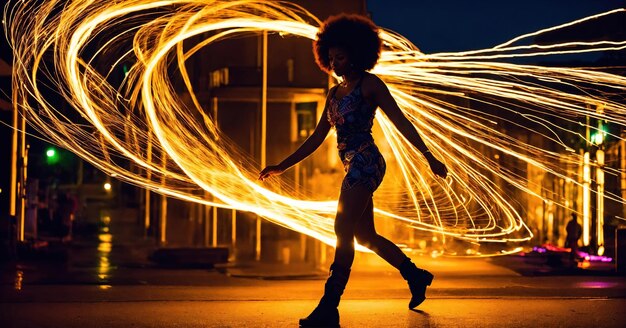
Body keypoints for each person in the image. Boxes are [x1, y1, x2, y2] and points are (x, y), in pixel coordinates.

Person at [259, 14, 448, 327]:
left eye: (341, 57)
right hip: (352, 167)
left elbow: (401, 121)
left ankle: (328, 307)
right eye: (331, 58)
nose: (335, 63)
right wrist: (282, 165)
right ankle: (415, 276)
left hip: (367, 163)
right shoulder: (333, 94)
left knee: (342, 228)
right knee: (365, 236)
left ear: (358, 54)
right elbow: (317, 137)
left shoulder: (370, 85)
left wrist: (429, 156)